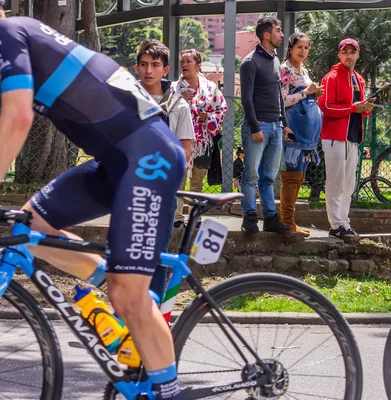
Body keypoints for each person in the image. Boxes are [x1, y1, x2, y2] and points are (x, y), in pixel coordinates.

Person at [0, 9, 185, 400]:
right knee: (28, 228)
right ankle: (114, 297)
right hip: (118, 159)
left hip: (148, 158)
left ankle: (167, 392)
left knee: (128, 295)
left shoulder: (8, 32)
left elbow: (16, 120)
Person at [134, 39, 194, 299]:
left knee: (158, 248)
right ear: (137, 67)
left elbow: (185, 149)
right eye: (144, 64)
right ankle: (128, 309)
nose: (149, 70)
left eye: (155, 65)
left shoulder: (178, 104)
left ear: (165, 70)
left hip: (163, 186)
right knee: (132, 248)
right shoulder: (128, 98)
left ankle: (154, 306)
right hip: (131, 184)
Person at [239, 17, 293, 234]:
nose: (282, 35)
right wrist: (254, 128)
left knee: (269, 177)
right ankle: (249, 217)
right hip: (259, 126)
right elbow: (246, 99)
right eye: (278, 31)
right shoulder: (250, 62)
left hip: (275, 127)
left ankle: (270, 217)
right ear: (267, 35)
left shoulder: (275, 60)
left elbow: (278, 94)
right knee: (251, 175)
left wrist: (284, 124)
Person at [318, 38, 374, 240]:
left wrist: (365, 109)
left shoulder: (358, 78)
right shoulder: (331, 77)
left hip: (352, 137)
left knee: (349, 184)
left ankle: (344, 222)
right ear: (339, 55)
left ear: (358, 54)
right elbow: (325, 107)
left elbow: (358, 110)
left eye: (353, 52)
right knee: (335, 182)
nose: (349, 56)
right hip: (334, 137)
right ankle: (336, 224)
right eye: (345, 52)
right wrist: (353, 108)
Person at [172, 48, 227, 227]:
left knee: (197, 183)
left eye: (188, 61)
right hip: (180, 142)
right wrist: (180, 98)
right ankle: (177, 219)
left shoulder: (211, 88)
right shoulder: (174, 88)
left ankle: (195, 219)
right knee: (179, 181)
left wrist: (208, 118)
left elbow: (222, 109)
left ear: (198, 66)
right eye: (182, 62)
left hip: (203, 143)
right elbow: (164, 110)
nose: (184, 65)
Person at [279, 32, 323, 237]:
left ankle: (290, 220)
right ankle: (286, 221)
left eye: (306, 48)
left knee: (299, 176)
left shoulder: (303, 70)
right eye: (299, 47)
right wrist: (306, 92)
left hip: (307, 136)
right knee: (291, 176)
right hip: (291, 132)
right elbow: (282, 101)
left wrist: (314, 92)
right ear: (290, 48)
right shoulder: (284, 70)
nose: (303, 51)